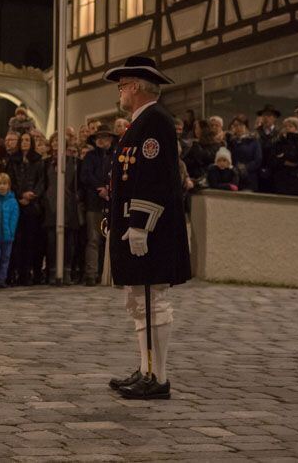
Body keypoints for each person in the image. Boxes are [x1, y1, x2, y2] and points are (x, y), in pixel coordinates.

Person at [103, 55, 191, 400]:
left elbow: (153, 179)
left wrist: (140, 224)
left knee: (153, 299)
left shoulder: (155, 121)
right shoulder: (142, 122)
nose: (120, 92)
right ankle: (146, 368)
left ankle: (158, 376)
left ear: (136, 86)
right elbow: (129, 178)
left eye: (122, 86)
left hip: (151, 229)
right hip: (136, 226)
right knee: (139, 301)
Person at [80, 124, 116, 286]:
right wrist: (99, 188)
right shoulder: (90, 157)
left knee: (111, 240)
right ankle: (91, 274)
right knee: (93, 239)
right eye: (98, 137)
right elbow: (85, 175)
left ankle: (109, 273)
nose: (101, 140)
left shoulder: (116, 156)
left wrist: (110, 188)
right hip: (94, 203)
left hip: (112, 202)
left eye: (104, 137)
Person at [7, 133, 45, 286]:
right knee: (17, 241)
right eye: (22, 140)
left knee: (31, 241)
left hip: (32, 205)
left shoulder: (38, 160)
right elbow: (10, 180)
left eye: (27, 140)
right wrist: (20, 195)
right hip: (16, 204)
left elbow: (42, 182)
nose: (24, 142)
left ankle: (27, 274)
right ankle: (15, 273)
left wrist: (31, 195)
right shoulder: (12, 160)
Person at [44, 133, 78, 286]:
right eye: (54, 141)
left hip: (68, 204)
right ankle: (52, 271)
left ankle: (66, 271)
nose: (57, 143)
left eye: (60, 141)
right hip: (51, 205)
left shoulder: (73, 162)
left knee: (68, 241)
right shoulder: (45, 163)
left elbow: (77, 184)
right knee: (51, 241)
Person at [269, 116, 298, 197]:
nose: (287, 128)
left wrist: (283, 156)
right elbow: (272, 159)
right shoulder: (278, 142)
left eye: (290, 126)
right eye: (285, 126)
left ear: (297, 128)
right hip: (282, 181)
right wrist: (283, 161)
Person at [0, 173, 19, 289]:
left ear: (9, 185)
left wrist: (11, 232)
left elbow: (14, 218)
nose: (2, 186)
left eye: (4, 184)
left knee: (5, 258)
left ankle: (1, 279)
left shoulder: (13, 201)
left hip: (8, 235)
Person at [226, 115, 261, 192]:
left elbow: (258, 160)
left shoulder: (253, 140)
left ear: (246, 126)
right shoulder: (232, 141)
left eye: (240, 125)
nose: (238, 128)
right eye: (235, 125)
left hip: (249, 178)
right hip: (234, 179)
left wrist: (245, 168)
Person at [255, 104, 281, 192]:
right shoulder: (255, 132)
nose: (266, 118)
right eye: (264, 115)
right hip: (258, 170)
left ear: (274, 118)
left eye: (269, 116)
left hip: (275, 172)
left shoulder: (280, 133)